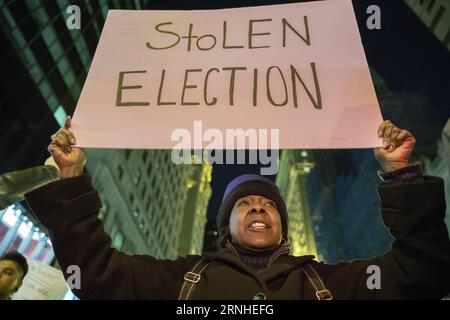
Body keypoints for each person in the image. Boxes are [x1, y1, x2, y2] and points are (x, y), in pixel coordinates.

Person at [23, 117, 450, 299]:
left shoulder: (331, 283)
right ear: (226, 225)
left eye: (268, 204)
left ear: (283, 224)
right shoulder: (179, 281)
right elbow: (93, 273)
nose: (259, 208)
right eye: (244, 203)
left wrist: (401, 176)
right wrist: (72, 180)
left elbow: (423, 273)